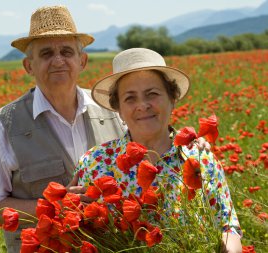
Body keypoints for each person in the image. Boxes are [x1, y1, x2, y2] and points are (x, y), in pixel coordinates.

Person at [0, 5, 126, 253]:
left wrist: (190, 145)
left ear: (82, 61)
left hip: (110, 246)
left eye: (66, 51)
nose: (58, 60)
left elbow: (149, 151)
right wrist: (52, 206)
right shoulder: (5, 123)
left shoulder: (111, 109)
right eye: (46, 53)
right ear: (28, 66)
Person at [68, 48, 242, 253]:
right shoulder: (95, 163)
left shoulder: (200, 158)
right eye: (130, 98)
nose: (142, 105)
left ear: (172, 98)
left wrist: (230, 246)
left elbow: (228, 225)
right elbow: (82, 235)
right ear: (119, 110)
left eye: (152, 94)